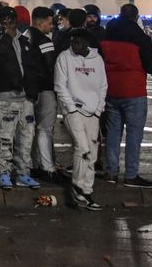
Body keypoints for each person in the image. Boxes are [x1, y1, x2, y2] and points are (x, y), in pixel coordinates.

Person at [99, 3, 152, 188]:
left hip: (111, 88)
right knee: (134, 134)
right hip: (133, 89)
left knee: (113, 133)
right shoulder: (140, 38)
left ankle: (111, 172)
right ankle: (131, 175)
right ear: (136, 17)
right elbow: (151, 66)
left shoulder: (106, 36)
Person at [0, 6, 41, 190]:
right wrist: (4, 38)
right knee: (4, 137)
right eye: (3, 21)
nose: (6, 23)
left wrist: (33, 93)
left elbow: (32, 68)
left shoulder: (25, 41)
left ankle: (24, 173)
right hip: (5, 97)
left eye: (9, 20)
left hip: (25, 99)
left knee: (26, 137)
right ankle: (4, 172)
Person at [54, 28, 107, 210]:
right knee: (82, 148)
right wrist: (71, 108)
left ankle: (87, 190)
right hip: (74, 111)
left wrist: (98, 109)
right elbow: (60, 86)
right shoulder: (64, 58)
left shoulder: (97, 60)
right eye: (72, 41)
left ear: (86, 43)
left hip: (93, 112)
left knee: (92, 152)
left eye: (78, 42)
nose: (74, 45)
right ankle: (78, 188)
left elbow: (102, 86)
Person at [27, 6, 59, 178]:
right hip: (45, 89)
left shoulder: (23, 38)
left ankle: (31, 164)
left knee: (28, 130)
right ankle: (47, 167)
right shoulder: (45, 41)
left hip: (28, 90)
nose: (51, 26)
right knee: (44, 129)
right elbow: (50, 66)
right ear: (43, 22)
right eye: (50, 22)